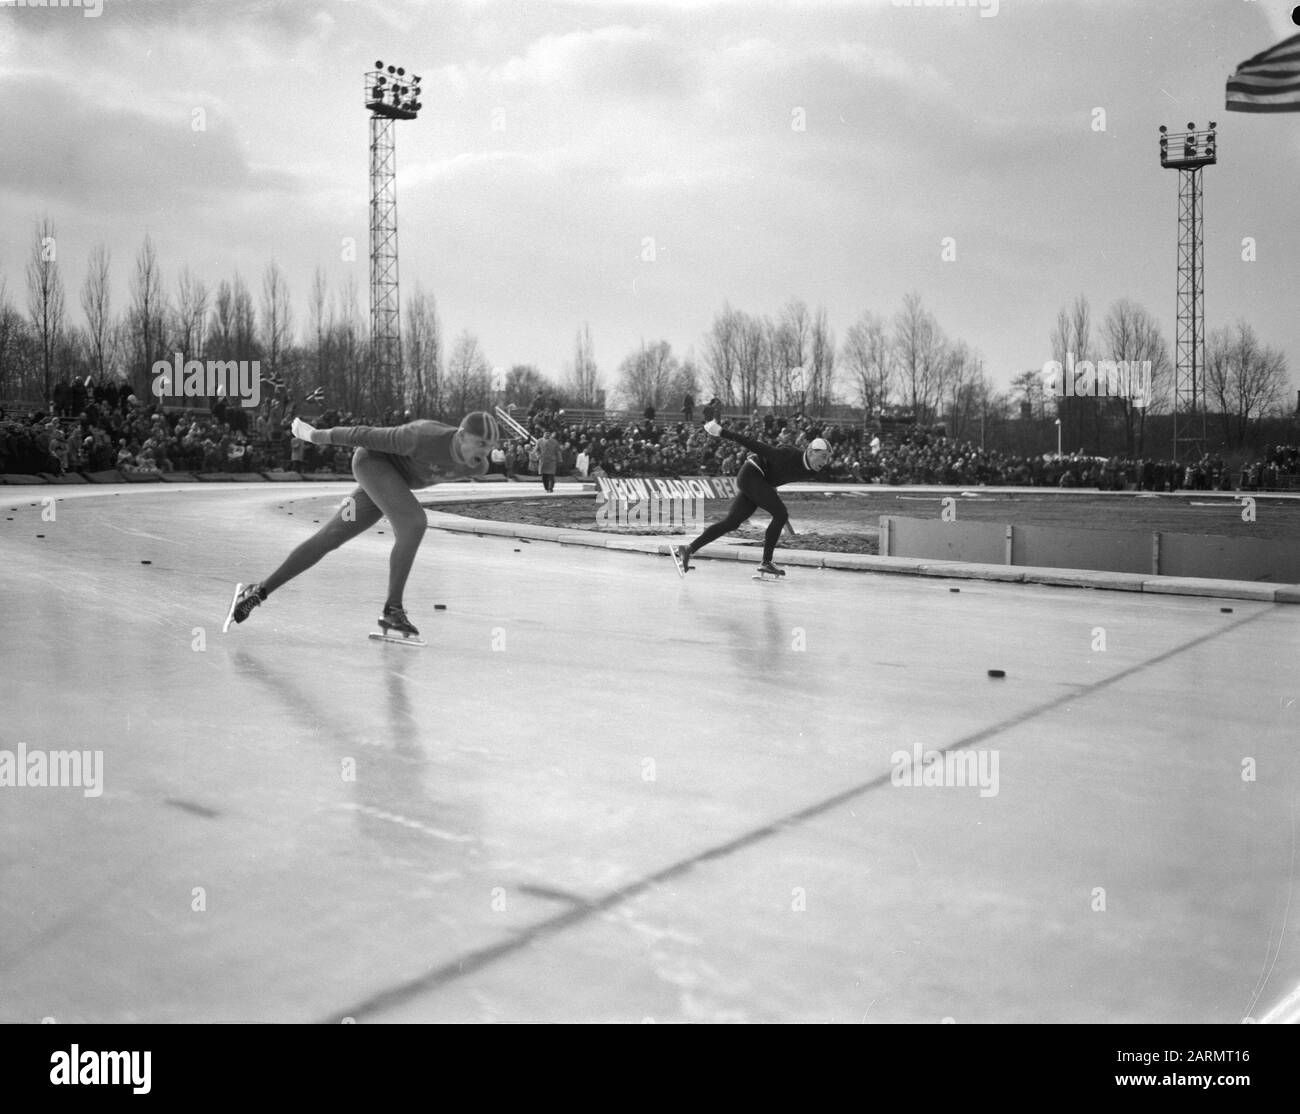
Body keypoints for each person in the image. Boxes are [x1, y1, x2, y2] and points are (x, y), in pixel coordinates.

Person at [224, 410, 502, 640]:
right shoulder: (423, 436)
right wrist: (313, 435)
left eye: (490, 447)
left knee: (330, 536)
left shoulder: (476, 466)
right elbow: (363, 435)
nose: (485, 453)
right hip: (371, 464)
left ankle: (258, 591)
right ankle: (393, 609)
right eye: (480, 444)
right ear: (462, 435)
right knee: (414, 523)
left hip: (386, 486)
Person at [671, 419, 830, 578]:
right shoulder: (786, 455)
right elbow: (753, 444)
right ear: (810, 452)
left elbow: (778, 474)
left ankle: (688, 549)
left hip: (761, 481)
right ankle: (766, 562)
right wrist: (721, 432)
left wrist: (770, 488)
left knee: (731, 522)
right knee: (781, 514)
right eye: (823, 456)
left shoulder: (812, 471)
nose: (825, 462)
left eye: (828, 458)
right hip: (752, 473)